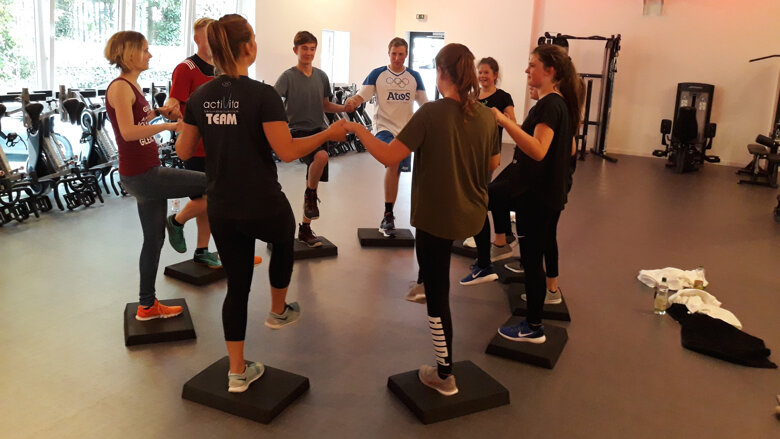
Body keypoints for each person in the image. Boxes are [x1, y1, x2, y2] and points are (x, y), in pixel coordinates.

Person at [176, 15, 346, 393]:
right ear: (248, 47)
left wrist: (193, 124)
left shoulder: (200, 96)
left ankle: (237, 372)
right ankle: (278, 310)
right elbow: (286, 151)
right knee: (285, 238)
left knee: (237, 287)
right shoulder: (262, 95)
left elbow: (184, 151)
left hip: (222, 206)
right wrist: (328, 133)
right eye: (253, 38)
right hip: (262, 201)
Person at [345, 43, 500, 396]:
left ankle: (444, 375)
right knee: (434, 282)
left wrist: (358, 131)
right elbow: (493, 164)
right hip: (472, 214)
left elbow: (389, 156)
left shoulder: (431, 113)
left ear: (441, 73)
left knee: (437, 295)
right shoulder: (486, 115)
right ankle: (424, 284)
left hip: (436, 217)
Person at [104, 31, 207, 321]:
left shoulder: (132, 87)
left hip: (144, 173)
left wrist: (159, 114)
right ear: (130, 54)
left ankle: (147, 306)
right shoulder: (121, 87)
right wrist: (169, 127)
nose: (150, 55)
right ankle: (185, 225)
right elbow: (127, 132)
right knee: (214, 182)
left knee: (154, 240)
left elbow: (138, 121)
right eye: (145, 50)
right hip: (144, 175)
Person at [493, 44, 584, 343]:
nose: (527, 70)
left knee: (532, 262)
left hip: (538, 199)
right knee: (533, 257)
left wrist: (504, 122)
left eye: (532, 65)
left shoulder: (550, 105)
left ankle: (532, 326)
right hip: (544, 196)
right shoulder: (557, 104)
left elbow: (538, 149)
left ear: (550, 71)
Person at [274, 31, 352, 248]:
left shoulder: (321, 76)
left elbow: (325, 105)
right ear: (295, 50)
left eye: (312, 49)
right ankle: (311, 194)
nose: (308, 53)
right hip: (298, 132)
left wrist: (344, 108)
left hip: (318, 129)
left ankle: (306, 227)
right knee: (322, 156)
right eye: (304, 49)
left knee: (320, 160)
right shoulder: (287, 77)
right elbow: (273, 101)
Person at [344, 37, 427, 236]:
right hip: (383, 128)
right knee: (393, 162)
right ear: (388, 53)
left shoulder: (414, 76)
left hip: (405, 132)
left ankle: (389, 214)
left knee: (395, 170)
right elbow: (362, 95)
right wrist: (353, 100)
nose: (397, 58)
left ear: (406, 54)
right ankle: (388, 215)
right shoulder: (377, 74)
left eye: (401, 54)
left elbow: (425, 104)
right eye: (394, 54)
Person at [155, 17, 221, 268]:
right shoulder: (186, 68)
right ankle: (176, 221)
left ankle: (202, 249)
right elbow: (174, 101)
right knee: (210, 198)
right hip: (195, 146)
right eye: (209, 36)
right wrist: (169, 108)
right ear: (197, 39)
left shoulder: (221, 68)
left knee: (207, 202)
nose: (214, 41)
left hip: (218, 145)